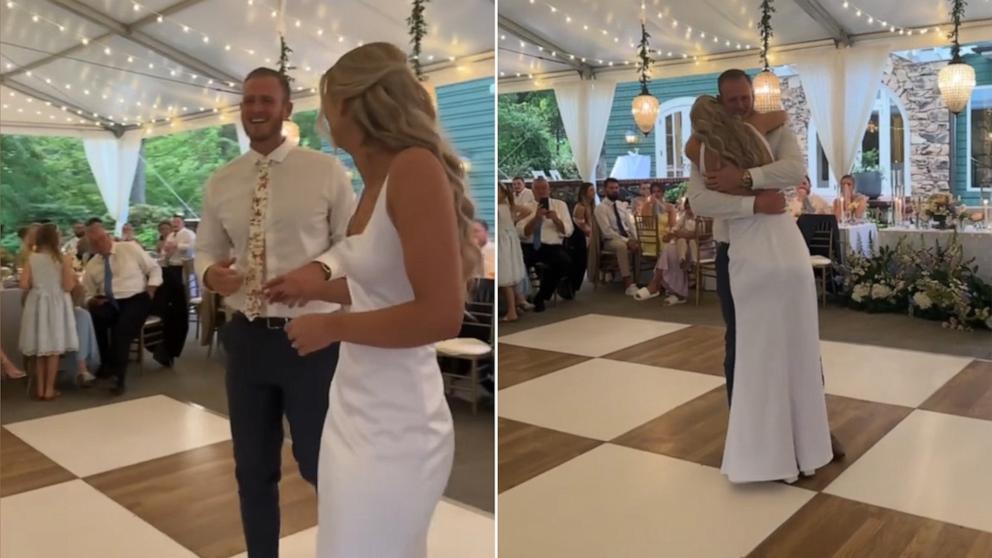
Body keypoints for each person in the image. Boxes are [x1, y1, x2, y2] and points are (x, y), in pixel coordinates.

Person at [261, 42, 479, 557]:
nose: (322, 118)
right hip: (354, 407)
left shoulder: (414, 169)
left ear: (356, 106)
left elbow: (439, 313)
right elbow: (382, 287)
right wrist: (316, 287)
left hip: (398, 423)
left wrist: (331, 326)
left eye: (328, 102)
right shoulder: (374, 181)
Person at [194, 66, 355, 557]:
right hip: (244, 339)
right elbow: (204, 249)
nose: (256, 110)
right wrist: (209, 276)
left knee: (318, 461)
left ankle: (347, 547)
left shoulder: (325, 171)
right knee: (252, 467)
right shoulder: (222, 181)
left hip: (309, 338)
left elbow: (354, 246)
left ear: (287, 108)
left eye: (266, 100)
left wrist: (319, 271)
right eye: (248, 101)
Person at [686, 91, 833, 484]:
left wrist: (745, 180)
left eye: (743, 97)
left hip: (756, 250)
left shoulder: (706, 146)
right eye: (731, 99)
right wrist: (755, 201)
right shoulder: (758, 132)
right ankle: (803, 447)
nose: (739, 104)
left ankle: (775, 449)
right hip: (776, 243)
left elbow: (795, 170)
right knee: (767, 349)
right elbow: (701, 200)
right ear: (722, 103)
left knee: (769, 352)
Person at [82, 218, 161, 395]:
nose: (99, 245)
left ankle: (118, 378)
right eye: (94, 243)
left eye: (101, 239)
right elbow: (86, 293)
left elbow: (154, 269)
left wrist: (151, 289)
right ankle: (106, 363)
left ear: (107, 236)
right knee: (95, 317)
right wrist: (91, 301)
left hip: (136, 297)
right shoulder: (93, 264)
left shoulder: (129, 248)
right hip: (110, 300)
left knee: (122, 330)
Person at [19, 224, 79, 400]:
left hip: (37, 303)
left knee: (41, 348)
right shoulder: (63, 259)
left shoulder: (31, 258)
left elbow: (23, 284)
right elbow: (68, 286)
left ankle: (39, 389)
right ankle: (49, 389)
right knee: (53, 349)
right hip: (57, 304)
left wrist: (37, 286)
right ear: (55, 239)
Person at [517, 177, 574, 312]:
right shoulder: (525, 207)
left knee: (563, 262)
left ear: (549, 190)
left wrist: (556, 220)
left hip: (552, 246)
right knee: (518, 262)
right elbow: (522, 232)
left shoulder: (560, 205)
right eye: (538, 188)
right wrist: (536, 218)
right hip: (530, 245)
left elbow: (568, 231)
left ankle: (541, 296)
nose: (541, 191)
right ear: (532, 190)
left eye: (544, 188)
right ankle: (522, 297)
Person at [155, 214, 197, 365]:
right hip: (168, 268)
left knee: (177, 306)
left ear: (182, 222)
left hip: (181, 270)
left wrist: (177, 246)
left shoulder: (188, 234)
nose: (175, 224)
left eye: (177, 222)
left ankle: (166, 348)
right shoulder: (170, 236)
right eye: (173, 222)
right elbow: (164, 253)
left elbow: (193, 247)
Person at [594, 177, 640, 296]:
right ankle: (628, 283)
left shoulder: (621, 205)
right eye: (611, 188)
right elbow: (607, 231)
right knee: (621, 247)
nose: (614, 190)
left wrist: (635, 239)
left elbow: (630, 224)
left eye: (616, 188)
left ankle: (642, 280)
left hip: (626, 236)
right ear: (605, 190)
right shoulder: (600, 208)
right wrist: (627, 241)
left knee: (643, 243)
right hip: (611, 240)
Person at [498, 185, 530, 322]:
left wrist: (514, 220)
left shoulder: (500, 207)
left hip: (503, 243)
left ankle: (511, 311)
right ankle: (519, 300)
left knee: (505, 278)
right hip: (510, 240)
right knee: (510, 275)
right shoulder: (509, 206)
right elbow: (527, 211)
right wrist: (514, 221)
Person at [569, 182, 596, 294]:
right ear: (584, 192)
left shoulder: (592, 205)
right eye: (591, 190)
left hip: (591, 233)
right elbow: (579, 225)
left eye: (594, 190)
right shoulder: (580, 207)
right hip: (581, 237)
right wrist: (592, 233)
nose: (594, 192)